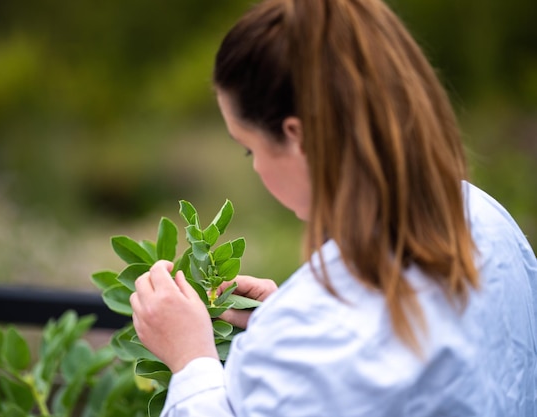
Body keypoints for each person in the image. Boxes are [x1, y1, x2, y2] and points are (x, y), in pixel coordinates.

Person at [129, 0, 537, 415]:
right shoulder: (484, 217)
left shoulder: (312, 335)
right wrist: (279, 320)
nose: (255, 168)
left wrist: (191, 359)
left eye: (248, 150)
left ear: (298, 137)